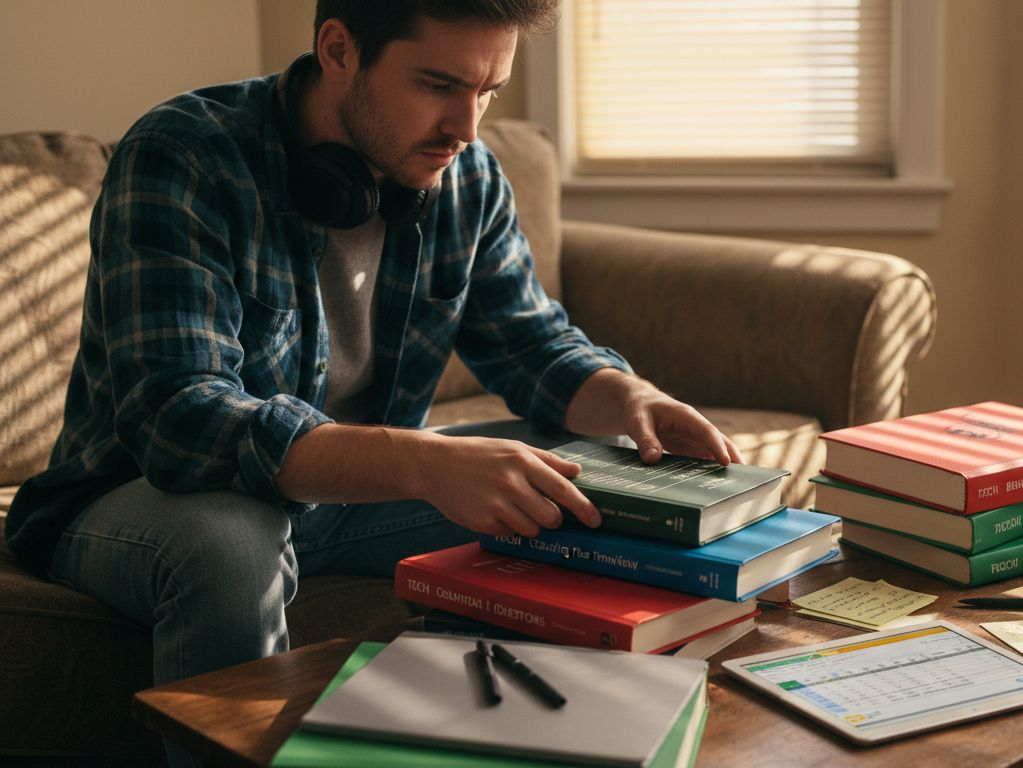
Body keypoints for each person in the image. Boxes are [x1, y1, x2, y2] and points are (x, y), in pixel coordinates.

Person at [4, 2, 739, 763]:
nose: (468, 126)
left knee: (591, 480)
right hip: (145, 498)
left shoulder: (468, 179)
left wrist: (634, 400)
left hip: (343, 502)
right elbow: (179, 418)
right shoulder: (187, 153)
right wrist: (421, 460)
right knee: (231, 542)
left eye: (487, 91)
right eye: (438, 84)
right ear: (337, 48)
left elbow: (533, 346)